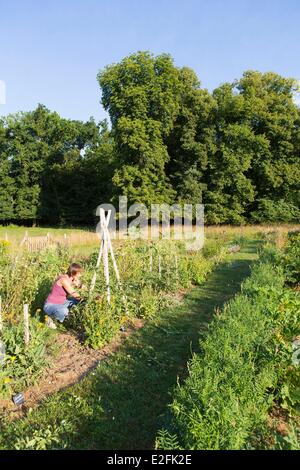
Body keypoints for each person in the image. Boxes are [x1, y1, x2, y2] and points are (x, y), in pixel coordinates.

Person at [43, 262, 84, 329]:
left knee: (76, 301)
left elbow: (81, 286)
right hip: (51, 305)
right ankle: (49, 319)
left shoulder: (71, 278)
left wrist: (80, 285)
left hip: (62, 302)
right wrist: (84, 300)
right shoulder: (63, 280)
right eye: (79, 273)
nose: (80, 275)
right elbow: (73, 293)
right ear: (73, 273)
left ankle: (66, 317)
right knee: (64, 311)